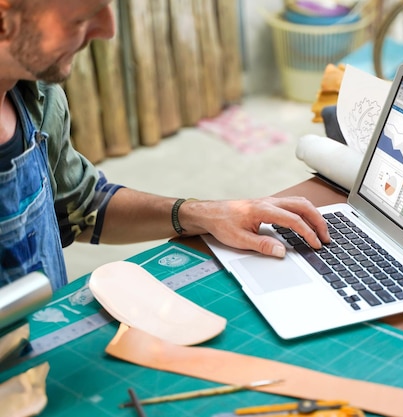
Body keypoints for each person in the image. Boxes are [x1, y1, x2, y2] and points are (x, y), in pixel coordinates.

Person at [0, 0, 330, 291]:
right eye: (81, 18)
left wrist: (206, 214)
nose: (107, 30)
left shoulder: (38, 96)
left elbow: (78, 206)